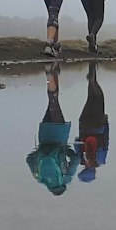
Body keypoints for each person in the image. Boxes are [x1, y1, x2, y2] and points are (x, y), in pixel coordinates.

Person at [26, 65, 79, 194]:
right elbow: (29, 159)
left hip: (59, 136)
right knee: (53, 102)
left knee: (53, 101)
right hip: (44, 135)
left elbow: (76, 159)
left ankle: (50, 74)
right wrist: (40, 151)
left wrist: (66, 150)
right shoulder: (40, 178)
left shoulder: (65, 179)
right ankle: (53, 72)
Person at [75, 61, 110, 182]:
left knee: (99, 97)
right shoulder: (81, 159)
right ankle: (92, 72)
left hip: (98, 124)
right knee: (90, 98)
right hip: (84, 124)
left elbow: (106, 141)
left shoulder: (101, 159)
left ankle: (92, 78)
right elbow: (76, 142)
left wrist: (106, 123)